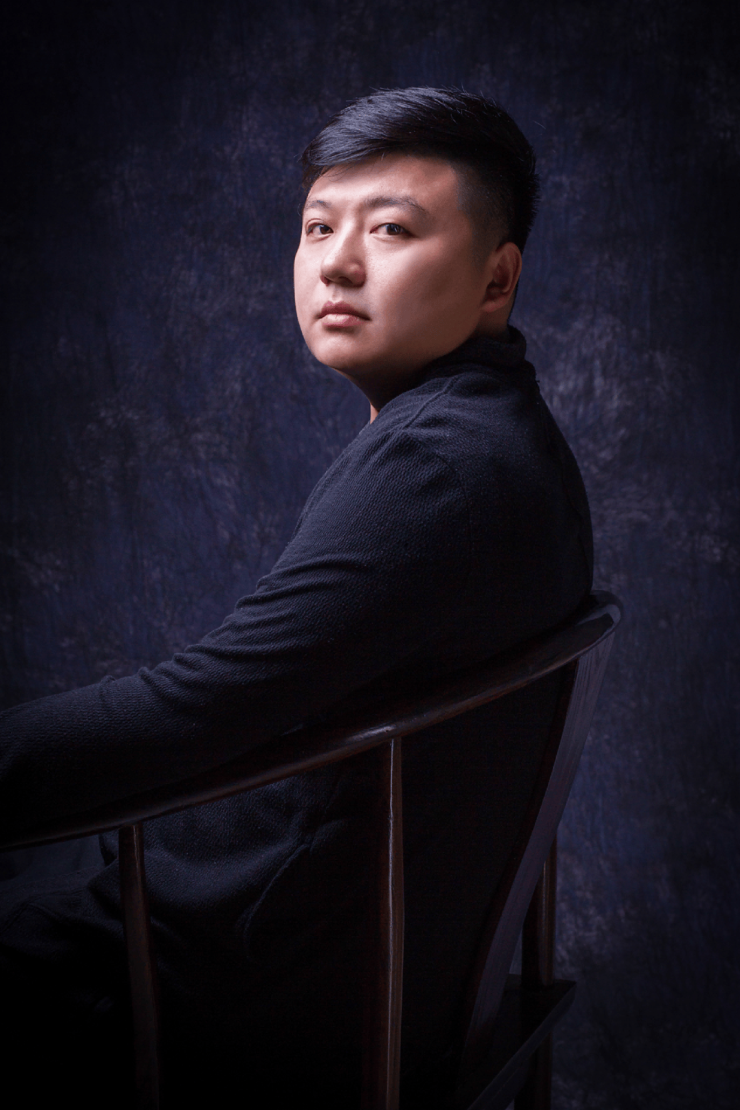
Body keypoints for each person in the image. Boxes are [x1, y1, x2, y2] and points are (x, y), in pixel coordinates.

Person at [0, 88, 593, 1106]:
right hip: (284, 918)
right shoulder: (486, 424)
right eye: (318, 227)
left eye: (391, 229)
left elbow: (206, 703)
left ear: (496, 279)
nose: (337, 264)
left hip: (244, 978)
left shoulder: (439, 465)